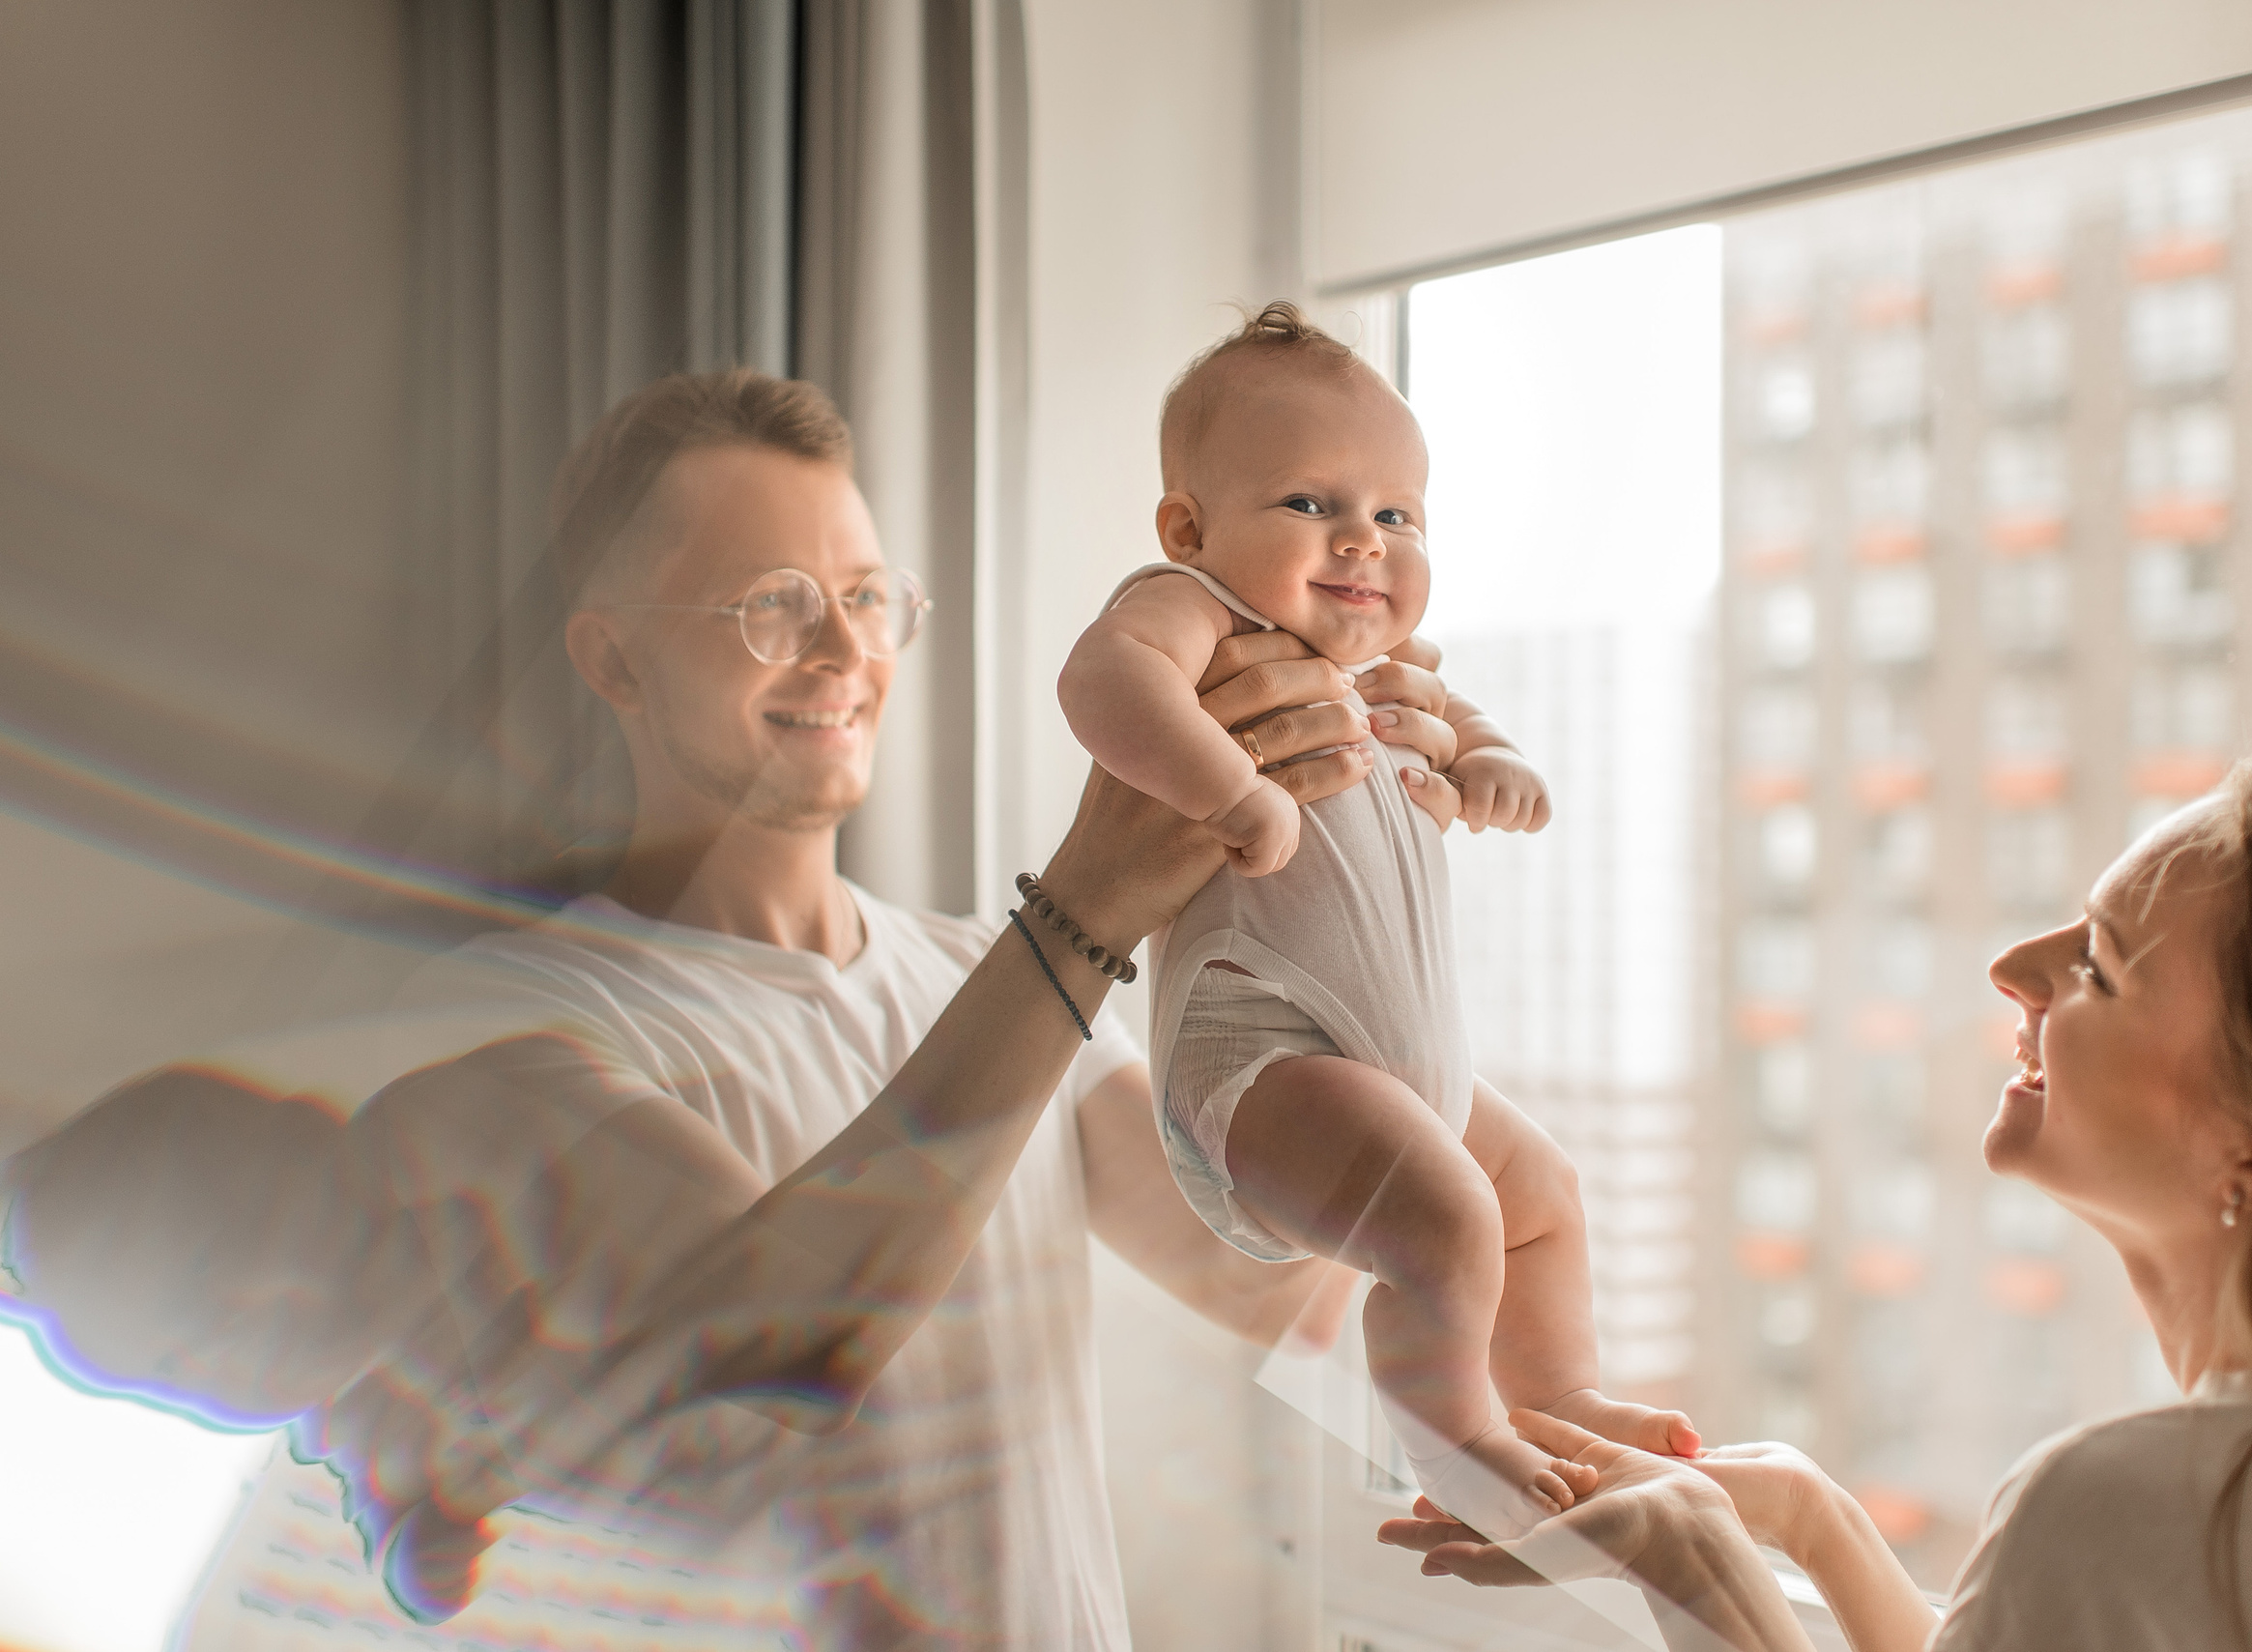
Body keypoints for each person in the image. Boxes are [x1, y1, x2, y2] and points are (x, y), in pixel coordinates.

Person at [0, 367, 1473, 1649]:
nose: (844, 650)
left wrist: (1359, 888)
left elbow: (1278, 1276)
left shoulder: (980, 976)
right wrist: (1087, 910)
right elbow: (788, 1333)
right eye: (773, 604)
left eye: (867, 596)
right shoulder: (507, 1023)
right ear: (612, 658)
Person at [1379, 747, 2252, 1652]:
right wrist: (1817, 1521)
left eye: (2099, 963)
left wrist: (1699, 1562)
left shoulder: (2136, 1510)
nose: (2013, 965)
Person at [1059, 304, 1695, 1541]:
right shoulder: (1196, 610)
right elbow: (1103, 678)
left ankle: (1556, 1392)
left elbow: (1465, 727)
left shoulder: (1391, 673)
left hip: (1402, 1071)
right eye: (1310, 503)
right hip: (1260, 1060)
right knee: (1445, 1219)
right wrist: (1224, 788)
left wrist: (1493, 762)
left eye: (1398, 515)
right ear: (1190, 528)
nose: (1363, 539)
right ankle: (1454, 1439)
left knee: (1540, 1192)